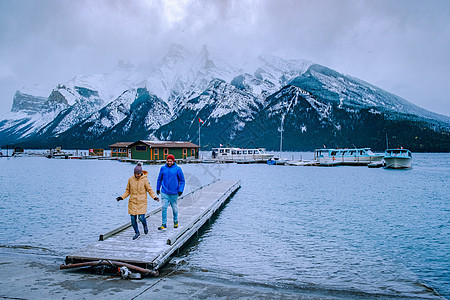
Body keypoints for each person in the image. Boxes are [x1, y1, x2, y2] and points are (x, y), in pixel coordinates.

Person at [116, 163, 159, 240]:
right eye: (136, 173)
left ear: (141, 173)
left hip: (142, 202)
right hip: (133, 202)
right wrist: (121, 197)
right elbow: (127, 191)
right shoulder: (130, 179)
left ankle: (145, 225)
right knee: (133, 219)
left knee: (141, 218)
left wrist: (155, 197)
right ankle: (137, 232)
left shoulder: (145, 180)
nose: (137, 175)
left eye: (138, 173)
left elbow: (150, 190)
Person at [156, 154, 185, 230]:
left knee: (174, 209)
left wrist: (180, 190)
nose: (169, 162)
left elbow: (182, 180)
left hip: (174, 193)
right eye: (168, 161)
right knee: (164, 207)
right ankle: (163, 224)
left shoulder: (178, 169)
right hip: (164, 192)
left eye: (170, 161)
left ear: (173, 161)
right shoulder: (163, 168)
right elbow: (159, 179)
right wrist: (158, 188)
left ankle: (175, 221)